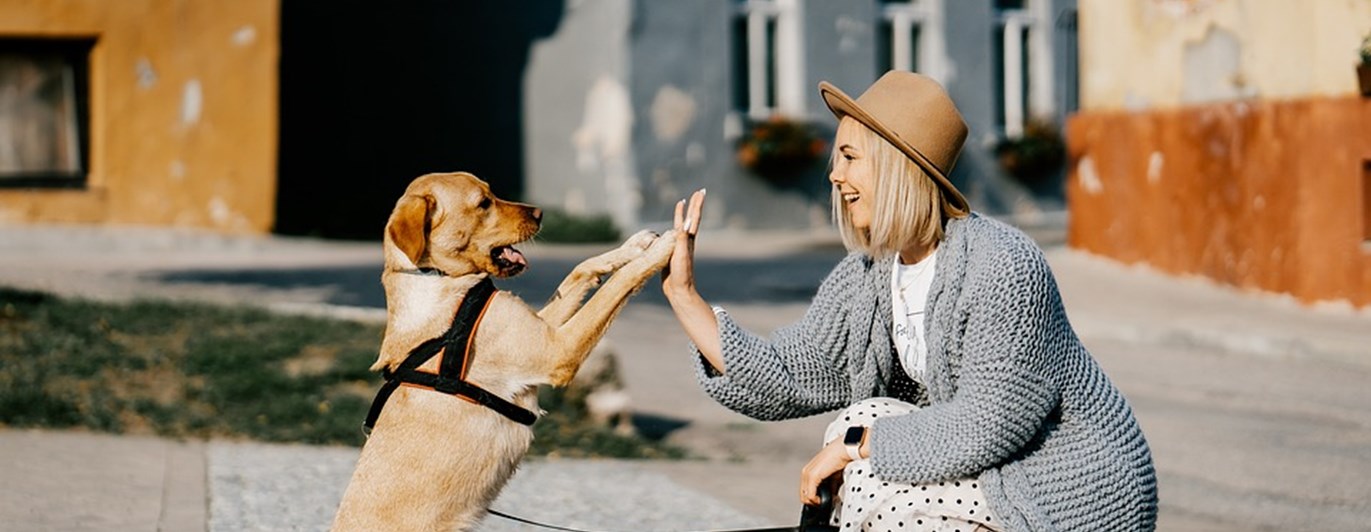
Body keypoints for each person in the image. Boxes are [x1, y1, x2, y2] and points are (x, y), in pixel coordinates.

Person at [660, 71, 1158, 531]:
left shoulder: (1003, 264)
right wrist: (684, 296)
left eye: (851, 157)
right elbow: (791, 374)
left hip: (1070, 483)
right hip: (993, 468)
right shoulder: (871, 275)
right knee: (861, 421)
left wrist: (855, 450)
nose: (835, 175)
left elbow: (986, 423)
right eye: (838, 158)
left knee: (874, 472)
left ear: (898, 165)